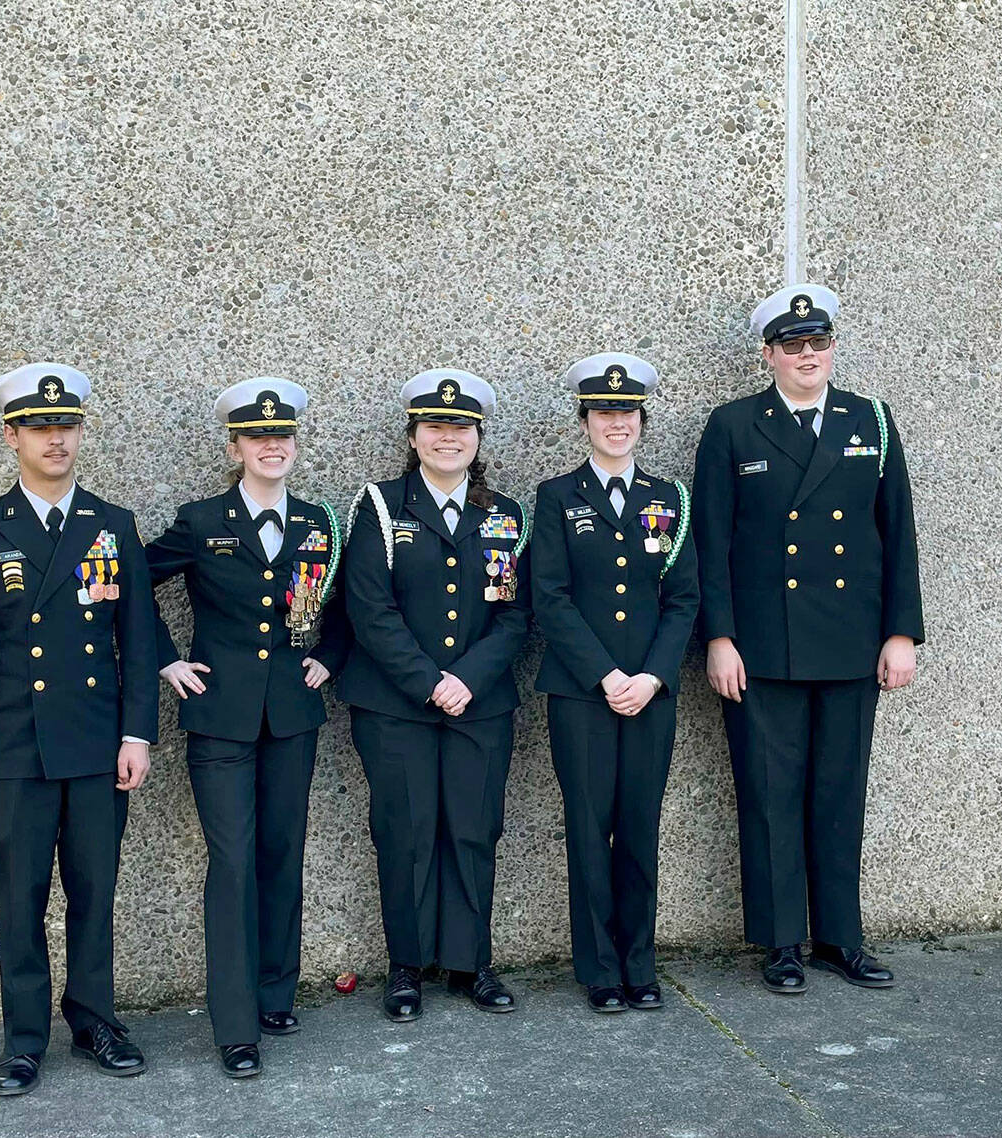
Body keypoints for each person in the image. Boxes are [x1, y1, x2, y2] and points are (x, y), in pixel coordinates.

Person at [0, 363, 157, 1096]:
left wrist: (138, 734)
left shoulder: (113, 525)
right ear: (12, 436)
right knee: (19, 896)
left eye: (67, 425)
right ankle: (25, 1038)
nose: (56, 439)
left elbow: (140, 639)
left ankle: (94, 1020)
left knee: (95, 891)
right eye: (40, 427)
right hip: (17, 746)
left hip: (95, 742)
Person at [692, 284, 924, 994]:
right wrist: (719, 638)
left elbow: (898, 535)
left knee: (839, 791)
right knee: (769, 793)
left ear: (832, 349)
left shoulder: (872, 421)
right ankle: (782, 941)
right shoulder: (733, 426)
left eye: (818, 344)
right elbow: (712, 542)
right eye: (794, 347)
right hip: (764, 646)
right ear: (769, 356)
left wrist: (902, 632)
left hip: (852, 643)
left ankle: (840, 938)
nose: (808, 356)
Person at [145, 377, 348, 1079]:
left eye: (282, 436)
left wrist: (328, 658)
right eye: (258, 437)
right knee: (233, 862)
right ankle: (234, 1024)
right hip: (221, 716)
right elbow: (126, 583)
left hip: (292, 712)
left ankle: (273, 992)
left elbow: (347, 604)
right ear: (235, 446)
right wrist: (167, 661)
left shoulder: (319, 521)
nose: (272, 446)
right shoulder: (201, 521)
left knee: (282, 853)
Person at [338, 369, 531, 1021]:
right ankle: (406, 967)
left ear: (478, 438)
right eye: (436, 427)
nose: (449, 438)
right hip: (396, 707)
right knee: (407, 831)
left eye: (461, 428)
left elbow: (514, 614)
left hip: (481, 704)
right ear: (414, 437)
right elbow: (370, 609)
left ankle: (471, 962)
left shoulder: (507, 515)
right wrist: (429, 682)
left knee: (474, 830)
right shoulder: (381, 505)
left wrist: (466, 679)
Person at [531, 353, 699, 1014]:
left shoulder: (671, 499)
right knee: (588, 825)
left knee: (639, 828)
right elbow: (550, 597)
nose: (616, 422)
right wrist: (607, 675)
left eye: (626, 411)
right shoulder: (556, 498)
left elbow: (684, 598)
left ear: (641, 419)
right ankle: (600, 970)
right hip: (582, 693)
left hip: (650, 696)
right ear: (585, 421)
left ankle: (640, 964)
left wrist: (653, 677)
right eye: (604, 411)